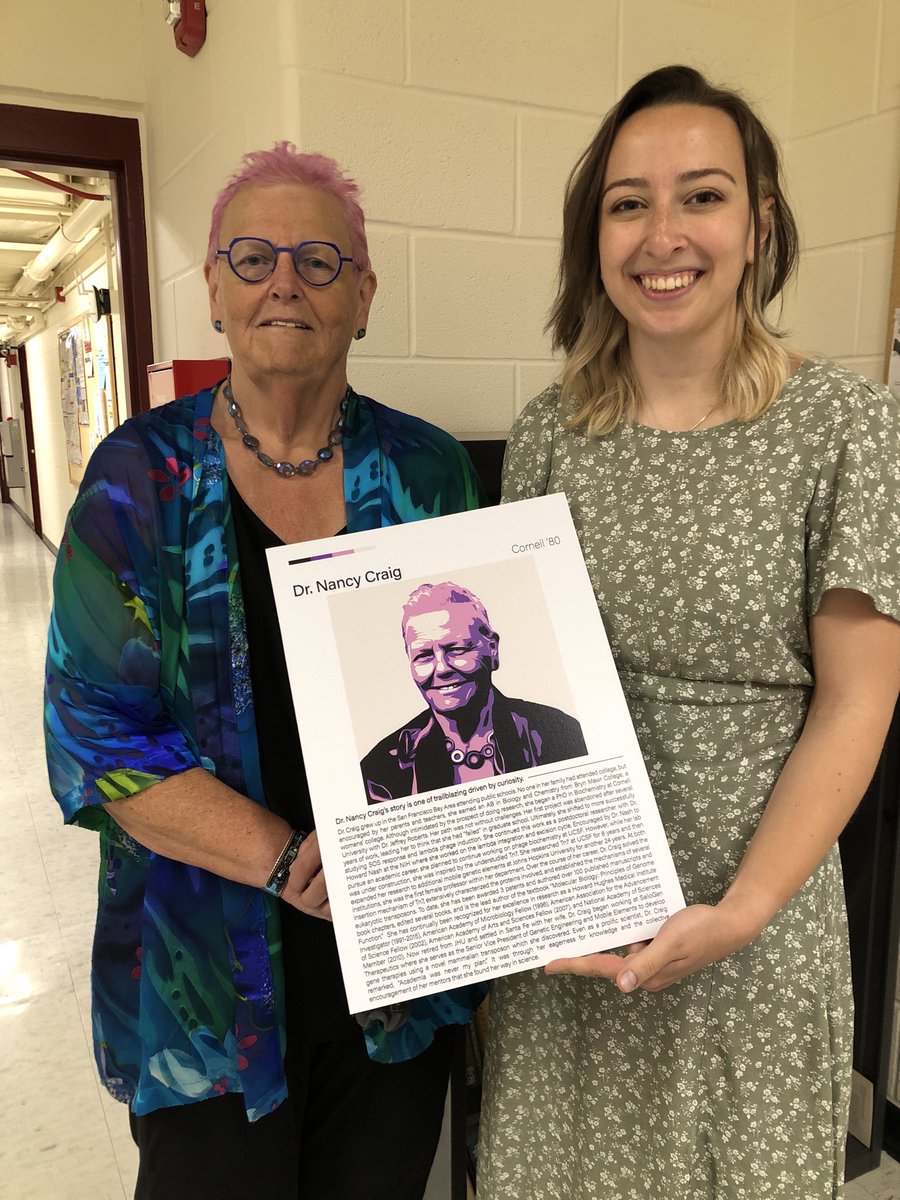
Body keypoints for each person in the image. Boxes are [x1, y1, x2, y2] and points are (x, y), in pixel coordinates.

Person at [478, 65, 900, 1199]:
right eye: (627, 203)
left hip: (750, 920)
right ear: (594, 236)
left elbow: (859, 697)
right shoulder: (548, 435)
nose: (663, 234)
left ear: (759, 225)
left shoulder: (845, 426)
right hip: (575, 926)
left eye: (702, 196)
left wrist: (742, 913)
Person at [44, 143, 487, 1200]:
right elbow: (99, 742)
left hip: (398, 974)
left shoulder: (429, 472)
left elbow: (484, 685)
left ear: (364, 294)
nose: (284, 280)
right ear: (214, 289)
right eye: (252, 257)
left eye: (319, 260)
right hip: (206, 978)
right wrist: (292, 863)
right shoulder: (136, 480)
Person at [361, 581, 587, 802]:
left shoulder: (557, 733)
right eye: (424, 655)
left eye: (457, 649)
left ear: (493, 650)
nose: (441, 668)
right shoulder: (382, 770)